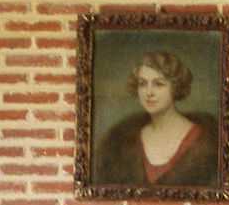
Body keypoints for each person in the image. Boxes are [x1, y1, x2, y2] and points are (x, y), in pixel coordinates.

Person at [94, 50, 219, 188]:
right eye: (142, 84)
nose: (149, 92)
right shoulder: (122, 141)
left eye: (158, 84)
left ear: (175, 87)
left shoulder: (205, 141)